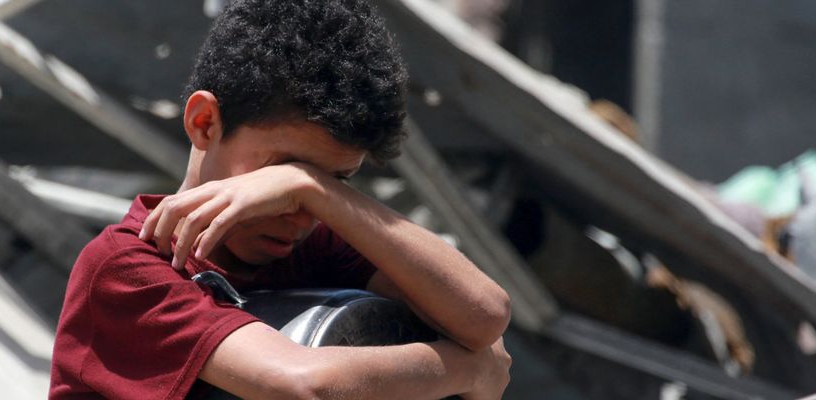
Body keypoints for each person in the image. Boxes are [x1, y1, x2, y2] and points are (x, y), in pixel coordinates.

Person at [48, 0, 512, 398]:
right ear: (205, 122)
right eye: (285, 170)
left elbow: (484, 316)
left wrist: (315, 189)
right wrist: (469, 370)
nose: (299, 215)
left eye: (337, 181)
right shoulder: (127, 267)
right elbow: (301, 385)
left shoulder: (316, 241)